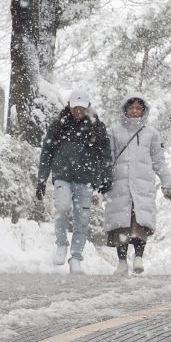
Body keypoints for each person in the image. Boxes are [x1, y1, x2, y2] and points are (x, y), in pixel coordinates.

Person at [35, 92, 111, 273]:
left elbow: (105, 154)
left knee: (82, 218)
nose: (78, 110)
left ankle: (76, 257)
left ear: (87, 107)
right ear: (69, 105)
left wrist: (106, 177)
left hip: (86, 179)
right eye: (75, 106)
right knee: (62, 206)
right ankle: (61, 244)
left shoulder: (97, 127)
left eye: (82, 107)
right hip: (63, 175)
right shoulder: (58, 125)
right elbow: (47, 152)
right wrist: (41, 180)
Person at [103, 94, 171, 275]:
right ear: (125, 110)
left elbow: (158, 160)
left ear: (143, 111)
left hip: (143, 185)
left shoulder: (151, 133)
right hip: (120, 184)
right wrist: (102, 180)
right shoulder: (114, 131)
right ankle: (122, 262)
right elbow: (107, 158)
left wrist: (167, 182)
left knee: (141, 221)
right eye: (131, 107)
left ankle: (139, 257)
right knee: (121, 224)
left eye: (138, 108)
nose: (134, 111)